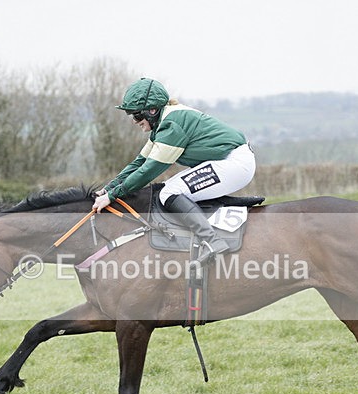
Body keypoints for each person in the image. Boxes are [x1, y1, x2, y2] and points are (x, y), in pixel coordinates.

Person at [93, 78, 256, 265]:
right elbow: (139, 163)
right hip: (228, 160)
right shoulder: (163, 124)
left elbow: (148, 171)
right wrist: (108, 188)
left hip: (234, 163)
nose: (134, 122)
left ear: (152, 111)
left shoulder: (172, 125)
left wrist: (113, 196)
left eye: (137, 116)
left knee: (169, 192)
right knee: (168, 189)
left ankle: (212, 241)